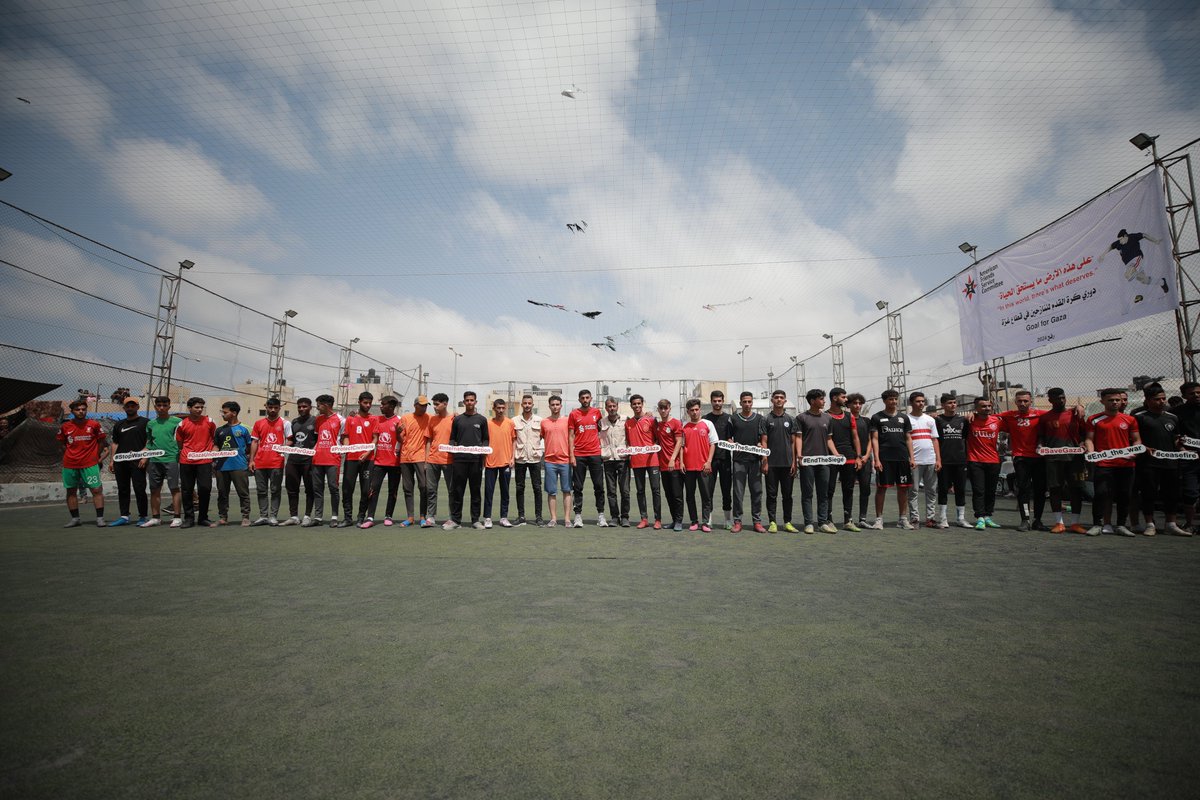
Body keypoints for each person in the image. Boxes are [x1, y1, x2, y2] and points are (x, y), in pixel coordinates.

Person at [1085, 388, 1141, 536]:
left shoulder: (1130, 419)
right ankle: (1097, 524)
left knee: (1124, 495)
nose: (1115, 402)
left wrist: (1134, 452)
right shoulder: (1094, 419)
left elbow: (1136, 440)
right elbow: (1089, 439)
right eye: (1111, 400)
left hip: (1126, 464)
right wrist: (1092, 453)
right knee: (1101, 493)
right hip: (1103, 464)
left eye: (1117, 400)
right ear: (1102, 401)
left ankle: (1121, 525)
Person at [1133, 385, 1186, 535]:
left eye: (1163, 398)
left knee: (1172, 493)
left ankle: (1171, 524)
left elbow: (1176, 439)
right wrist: (1144, 448)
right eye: (1157, 399)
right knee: (1149, 493)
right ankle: (1150, 524)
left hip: (1171, 463)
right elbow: (1133, 440)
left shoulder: (1173, 417)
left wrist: (1181, 446)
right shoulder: (1139, 417)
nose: (1161, 402)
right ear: (1148, 400)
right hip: (1148, 463)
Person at [1037, 388, 1088, 534]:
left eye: (1062, 397)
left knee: (1076, 489)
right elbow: (1041, 436)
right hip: (1053, 458)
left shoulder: (1076, 414)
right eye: (1057, 398)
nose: (1060, 400)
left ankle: (1075, 523)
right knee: (1055, 489)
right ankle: (1059, 523)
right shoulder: (1045, 418)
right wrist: (1040, 446)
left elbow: (1085, 434)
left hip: (1075, 458)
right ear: (1050, 401)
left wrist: (1083, 443)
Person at [998, 390, 1045, 531]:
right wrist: (972, 414)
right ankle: (1025, 520)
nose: (1022, 403)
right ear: (1015, 402)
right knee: (1023, 489)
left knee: (1040, 490)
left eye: (1025, 401)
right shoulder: (1010, 415)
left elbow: (1062, 414)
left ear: (1031, 401)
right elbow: (988, 416)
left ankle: (1038, 520)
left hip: (1039, 458)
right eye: (1020, 401)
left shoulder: (1041, 414)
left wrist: (1077, 408)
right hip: (1021, 457)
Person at [58, 398, 109, 527]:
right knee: (71, 491)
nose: (81, 412)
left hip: (90, 464)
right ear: (72, 411)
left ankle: (100, 518)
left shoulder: (94, 424)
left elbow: (102, 442)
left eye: (83, 409)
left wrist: (95, 456)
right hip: (70, 464)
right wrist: (72, 454)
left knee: (96, 489)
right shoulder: (65, 426)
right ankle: (75, 519)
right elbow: (62, 444)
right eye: (78, 409)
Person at [870, 389, 914, 530]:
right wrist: (876, 459)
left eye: (895, 399)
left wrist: (912, 457)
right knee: (881, 489)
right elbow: (874, 439)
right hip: (885, 459)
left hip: (902, 459)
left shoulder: (904, 418)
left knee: (903, 489)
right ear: (884, 401)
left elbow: (908, 438)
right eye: (890, 399)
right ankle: (879, 520)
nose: (894, 402)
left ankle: (902, 519)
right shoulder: (876, 417)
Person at [446, 390, 489, 530]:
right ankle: (456, 520)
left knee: (475, 491)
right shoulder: (458, 420)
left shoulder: (482, 420)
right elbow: (452, 438)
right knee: (458, 490)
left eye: (472, 400)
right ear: (464, 402)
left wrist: (483, 449)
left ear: (475, 402)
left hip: (476, 461)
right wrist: (451, 447)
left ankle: (475, 520)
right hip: (459, 461)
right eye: (467, 400)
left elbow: (486, 439)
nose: (469, 402)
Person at [795, 388, 836, 534]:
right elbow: (798, 438)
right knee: (807, 493)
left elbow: (829, 439)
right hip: (807, 462)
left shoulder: (828, 418)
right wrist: (799, 455)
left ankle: (822, 522)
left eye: (824, 398)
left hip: (824, 461)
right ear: (813, 401)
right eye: (821, 399)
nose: (824, 401)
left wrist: (836, 454)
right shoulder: (801, 418)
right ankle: (808, 523)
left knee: (823, 493)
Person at [728, 390, 769, 533]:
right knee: (738, 493)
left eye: (749, 401)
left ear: (752, 403)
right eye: (744, 401)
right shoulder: (733, 419)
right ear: (740, 403)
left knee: (757, 492)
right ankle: (737, 521)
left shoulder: (759, 419)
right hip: (739, 461)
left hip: (755, 461)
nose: (747, 404)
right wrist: (731, 443)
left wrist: (764, 459)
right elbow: (729, 438)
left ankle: (757, 521)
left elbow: (763, 440)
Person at [825, 388, 864, 532]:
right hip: (831, 458)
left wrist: (858, 457)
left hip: (849, 458)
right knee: (829, 490)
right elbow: (827, 438)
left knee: (848, 489)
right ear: (835, 398)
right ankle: (828, 520)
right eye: (843, 397)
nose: (846, 399)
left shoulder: (850, 416)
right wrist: (835, 454)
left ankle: (848, 520)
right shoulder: (825, 416)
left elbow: (855, 437)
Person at [140, 396, 182, 528]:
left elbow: (183, 441)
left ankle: (177, 517)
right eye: (159, 405)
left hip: (172, 459)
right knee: (154, 490)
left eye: (164, 405)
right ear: (155, 407)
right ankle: (155, 517)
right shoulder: (151, 424)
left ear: (169, 407)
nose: (161, 408)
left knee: (174, 488)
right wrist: (144, 455)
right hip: (154, 460)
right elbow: (149, 442)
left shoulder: (178, 422)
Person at [176, 396, 217, 528]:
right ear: (189, 408)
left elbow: (214, 439)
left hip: (205, 460)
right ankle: (188, 518)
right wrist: (187, 453)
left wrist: (213, 451)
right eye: (196, 407)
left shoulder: (210, 422)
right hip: (186, 461)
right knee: (187, 490)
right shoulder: (182, 424)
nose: (199, 410)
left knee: (205, 488)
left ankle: (203, 518)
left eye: (201, 407)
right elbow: (179, 443)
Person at [361, 395, 402, 529]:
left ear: (390, 406)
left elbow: (402, 441)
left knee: (392, 490)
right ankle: (370, 517)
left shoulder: (399, 421)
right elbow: (365, 419)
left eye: (383, 404)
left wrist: (397, 433)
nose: (381, 406)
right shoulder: (377, 419)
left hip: (395, 463)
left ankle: (388, 516)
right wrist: (354, 414)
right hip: (378, 462)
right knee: (372, 489)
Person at [248, 396, 290, 526]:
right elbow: (254, 441)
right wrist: (251, 460)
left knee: (275, 490)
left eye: (275, 408)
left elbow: (290, 439)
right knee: (261, 490)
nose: (272, 410)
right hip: (260, 462)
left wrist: (284, 448)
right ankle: (263, 516)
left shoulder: (285, 423)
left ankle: (273, 516)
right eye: (270, 407)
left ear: (279, 408)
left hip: (276, 462)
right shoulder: (258, 423)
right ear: (266, 407)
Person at [108, 397, 148, 526]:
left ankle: (143, 516)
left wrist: (144, 456)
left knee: (139, 489)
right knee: (123, 489)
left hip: (138, 462)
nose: (130, 408)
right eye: (128, 406)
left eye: (133, 406)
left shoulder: (145, 422)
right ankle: (124, 516)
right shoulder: (119, 424)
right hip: (121, 462)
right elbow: (115, 443)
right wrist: (112, 461)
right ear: (124, 408)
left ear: (137, 407)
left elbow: (150, 441)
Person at [568, 389, 605, 528]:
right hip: (579, 455)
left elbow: (603, 430)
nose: (585, 400)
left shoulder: (597, 413)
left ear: (591, 398)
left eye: (587, 397)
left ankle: (601, 515)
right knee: (578, 487)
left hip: (595, 454)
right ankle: (578, 516)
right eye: (582, 398)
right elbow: (571, 435)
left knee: (599, 486)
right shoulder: (573, 414)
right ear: (579, 400)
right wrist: (572, 455)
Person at [965, 396, 1003, 530]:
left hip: (993, 460)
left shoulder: (997, 420)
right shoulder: (970, 421)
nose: (987, 408)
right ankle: (980, 517)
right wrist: (970, 414)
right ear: (976, 408)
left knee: (991, 491)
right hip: (975, 460)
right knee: (979, 490)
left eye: (988, 406)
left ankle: (988, 516)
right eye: (983, 406)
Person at [339, 391, 376, 528]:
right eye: (365, 402)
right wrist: (347, 448)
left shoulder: (373, 419)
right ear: (359, 402)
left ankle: (361, 517)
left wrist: (367, 453)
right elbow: (346, 436)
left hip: (368, 459)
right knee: (347, 489)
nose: (368, 405)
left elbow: (375, 438)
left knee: (366, 490)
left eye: (370, 403)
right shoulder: (351, 419)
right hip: (351, 458)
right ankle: (347, 518)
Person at [625, 394, 662, 529]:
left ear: (642, 404)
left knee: (655, 490)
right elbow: (628, 442)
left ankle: (657, 519)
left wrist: (652, 448)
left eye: (639, 403)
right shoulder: (628, 423)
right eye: (634, 404)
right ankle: (644, 518)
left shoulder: (651, 420)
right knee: (640, 491)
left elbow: (658, 439)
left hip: (652, 460)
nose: (637, 406)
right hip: (637, 461)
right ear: (631, 406)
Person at [762, 390, 797, 533]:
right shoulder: (765, 419)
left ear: (785, 401)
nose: (778, 400)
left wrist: (794, 462)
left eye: (781, 398)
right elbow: (763, 441)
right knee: (771, 495)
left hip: (787, 464)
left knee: (787, 495)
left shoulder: (790, 419)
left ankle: (787, 522)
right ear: (772, 400)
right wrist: (765, 461)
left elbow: (793, 442)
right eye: (776, 397)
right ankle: (772, 522)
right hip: (771, 464)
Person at [906, 392, 941, 529]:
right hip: (915, 461)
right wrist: (912, 458)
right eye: (918, 401)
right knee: (913, 491)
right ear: (911, 403)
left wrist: (938, 459)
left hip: (931, 461)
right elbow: (907, 440)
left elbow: (934, 440)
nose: (921, 403)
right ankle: (914, 519)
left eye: (922, 401)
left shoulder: (930, 420)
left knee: (931, 490)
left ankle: (930, 519)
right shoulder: (906, 419)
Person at [214, 401, 253, 526]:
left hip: (239, 466)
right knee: (222, 493)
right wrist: (212, 454)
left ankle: (245, 517)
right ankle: (223, 517)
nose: (222, 414)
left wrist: (248, 459)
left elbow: (250, 446)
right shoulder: (219, 430)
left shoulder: (245, 429)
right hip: (221, 466)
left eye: (225, 412)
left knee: (243, 492)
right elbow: (216, 446)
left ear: (234, 413)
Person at [934, 394, 970, 529]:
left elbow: (965, 437)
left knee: (960, 489)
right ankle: (943, 519)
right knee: (943, 489)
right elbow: (935, 439)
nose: (953, 405)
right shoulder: (938, 420)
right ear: (943, 405)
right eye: (949, 403)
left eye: (954, 402)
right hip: (944, 461)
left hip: (960, 461)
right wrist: (938, 459)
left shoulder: (963, 420)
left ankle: (960, 518)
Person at [681, 398, 716, 531]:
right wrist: (682, 462)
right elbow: (681, 446)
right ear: (688, 412)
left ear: (700, 409)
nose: (695, 412)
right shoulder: (684, 426)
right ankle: (694, 521)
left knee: (706, 495)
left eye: (696, 409)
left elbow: (713, 444)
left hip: (703, 467)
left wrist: (708, 462)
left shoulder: (708, 424)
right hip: (688, 467)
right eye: (692, 410)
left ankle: (705, 522)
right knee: (690, 496)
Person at [398, 395, 432, 527]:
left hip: (420, 457)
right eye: (421, 405)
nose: (423, 408)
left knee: (424, 486)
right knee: (407, 488)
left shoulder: (429, 418)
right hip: (405, 457)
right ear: (415, 405)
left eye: (425, 405)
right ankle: (410, 517)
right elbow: (400, 439)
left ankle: (423, 516)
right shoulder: (405, 418)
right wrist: (397, 432)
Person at [309, 394, 344, 527]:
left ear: (326, 405)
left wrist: (342, 450)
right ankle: (318, 517)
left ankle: (334, 517)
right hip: (317, 460)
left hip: (333, 460)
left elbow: (343, 438)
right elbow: (318, 439)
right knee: (317, 489)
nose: (317, 407)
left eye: (318, 405)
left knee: (333, 488)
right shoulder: (318, 420)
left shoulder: (341, 420)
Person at [703, 390, 734, 528]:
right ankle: (708, 518)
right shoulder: (705, 419)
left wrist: (731, 442)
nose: (717, 403)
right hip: (709, 460)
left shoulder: (729, 418)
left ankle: (728, 520)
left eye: (719, 401)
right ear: (711, 402)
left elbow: (730, 438)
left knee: (726, 490)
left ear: (723, 401)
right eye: (714, 401)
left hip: (725, 459)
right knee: (708, 491)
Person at [283, 397, 316, 527]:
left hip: (309, 461)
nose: (302, 409)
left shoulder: (315, 421)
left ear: (310, 407)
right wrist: (283, 447)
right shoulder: (294, 422)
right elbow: (291, 440)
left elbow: (318, 441)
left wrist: (314, 452)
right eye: (299, 407)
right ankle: (294, 516)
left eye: (304, 406)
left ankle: (307, 516)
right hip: (293, 460)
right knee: (291, 489)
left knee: (310, 489)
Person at [483, 398, 516, 528]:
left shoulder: (510, 423)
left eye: (503, 408)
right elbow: (484, 441)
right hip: (490, 463)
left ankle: (504, 517)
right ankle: (487, 518)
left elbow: (514, 441)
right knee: (489, 491)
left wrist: (512, 457)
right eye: (498, 408)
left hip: (506, 463)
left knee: (505, 491)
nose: (501, 410)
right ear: (494, 409)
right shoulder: (488, 423)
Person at [540, 395, 572, 527]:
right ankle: (553, 518)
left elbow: (572, 438)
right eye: (552, 405)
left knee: (567, 490)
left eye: (557, 404)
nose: (555, 407)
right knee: (552, 491)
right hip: (549, 462)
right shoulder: (544, 422)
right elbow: (540, 437)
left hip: (565, 461)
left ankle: (567, 519)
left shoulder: (567, 421)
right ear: (549, 406)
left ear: (561, 405)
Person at [512, 394, 544, 526]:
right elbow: (512, 438)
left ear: (532, 405)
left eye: (529, 403)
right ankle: (521, 516)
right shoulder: (514, 421)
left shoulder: (539, 420)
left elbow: (543, 436)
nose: (527, 405)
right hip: (520, 458)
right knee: (520, 488)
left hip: (535, 459)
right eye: (524, 403)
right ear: (521, 404)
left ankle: (539, 517)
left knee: (537, 488)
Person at [599, 397, 631, 527]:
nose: (611, 408)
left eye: (614, 406)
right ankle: (614, 517)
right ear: (606, 408)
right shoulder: (601, 422)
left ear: (617, 406)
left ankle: (624, 517)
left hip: (623, 459)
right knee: (611, 491)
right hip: (608, 459)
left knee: (625, 490)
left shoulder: (626, 420)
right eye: (609, 406)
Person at [425, 393, 455, 527]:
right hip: (433, 460)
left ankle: (452, 516)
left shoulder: (454, 419)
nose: (435, 407)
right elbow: (429, 440)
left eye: (437, 404)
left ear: (445, 403)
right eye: (434, 404)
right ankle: (430, 517)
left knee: (452, 490)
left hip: (449, 460)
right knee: (431, 489)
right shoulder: (432, 420)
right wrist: (427, 460)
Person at [655, 398, 685, 530]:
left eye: (665, 408)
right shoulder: (657, 425)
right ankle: (674, 520)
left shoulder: (676, 423)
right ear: (658, 410)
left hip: (675, 465)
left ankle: (679, 521)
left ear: (669, 408)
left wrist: (673, 459)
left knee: (677, 494)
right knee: (668, 494)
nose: (663, 410)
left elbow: (679, 442)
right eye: (660, 408)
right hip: (663, 466)